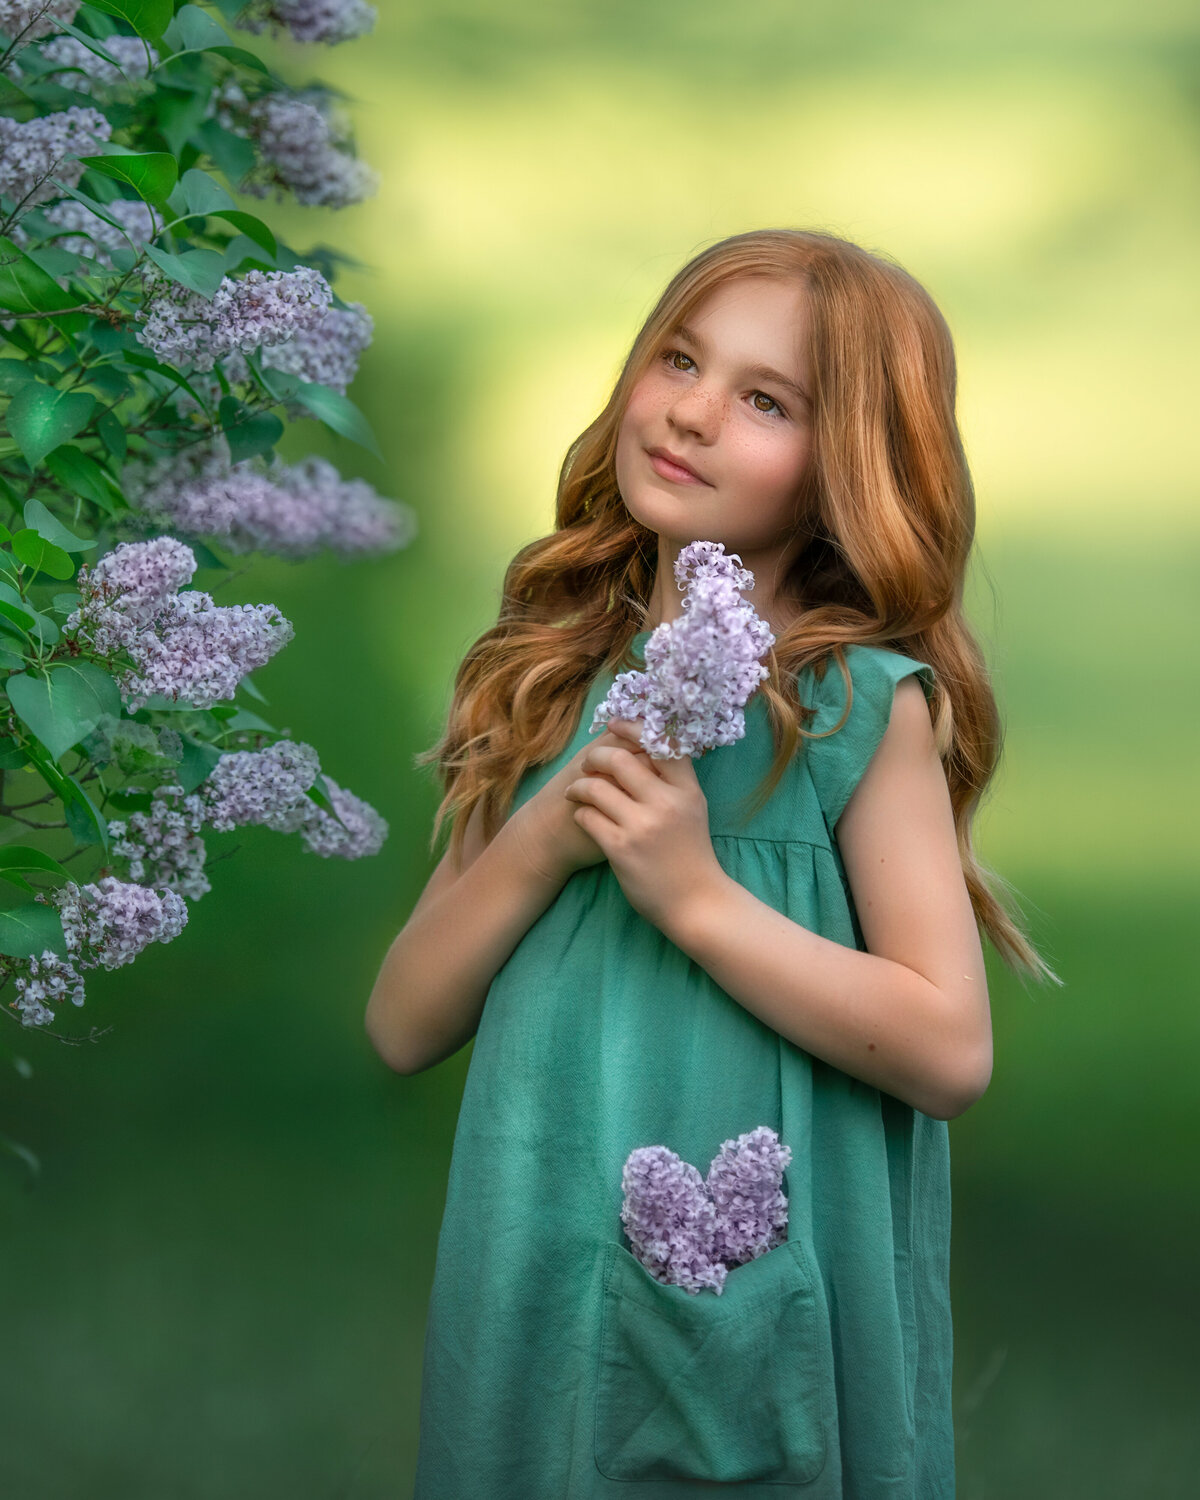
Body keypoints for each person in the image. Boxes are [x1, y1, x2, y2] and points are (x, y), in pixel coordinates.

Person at [365, 227, 1059, 1499]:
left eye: (763, 400)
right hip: (536, 1276)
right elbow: (403, 1024)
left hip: (761, 1281)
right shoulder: (548, 672)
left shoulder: (858, 711)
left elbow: (949, 1049)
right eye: (678, 359)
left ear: (842, 465)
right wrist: (541, 840)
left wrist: (693, 896)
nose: (689, 412)